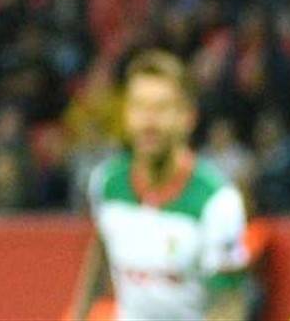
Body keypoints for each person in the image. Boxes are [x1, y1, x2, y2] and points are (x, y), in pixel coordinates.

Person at [68, 51, 249, 321]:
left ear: (188, 117)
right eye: (139, 107)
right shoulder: (106, 183)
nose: (148, 121)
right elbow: (101, 253)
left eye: (161, 108)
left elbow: (229, 305)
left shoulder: (216, 201)